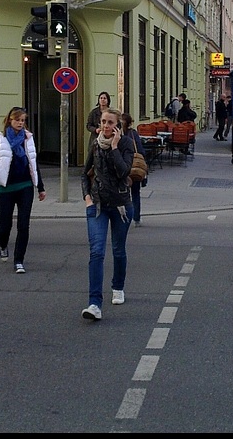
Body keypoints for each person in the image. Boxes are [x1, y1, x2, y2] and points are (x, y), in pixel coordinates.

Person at [80, 108, 134, 321]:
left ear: (118, 126)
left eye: (110, 122)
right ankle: (94, 304)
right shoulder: (95, 144)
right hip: (98, 205)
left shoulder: (126, 144)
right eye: (103, 121)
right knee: (97, 252)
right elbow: (85, 173)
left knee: (118, 250)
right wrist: (86, 198)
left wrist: (114, 148)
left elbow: (124, 172)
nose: (105, 126)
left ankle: (118, 286)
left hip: (121, 205)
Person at [0, 107, 46, 273]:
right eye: (17, 120)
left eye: (22, 120)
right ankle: (3, 244)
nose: (20, 123)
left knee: (23, 224)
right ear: (10, 120)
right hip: (6, 187)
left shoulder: (28, 138)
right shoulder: (0, 138)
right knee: (5, 226)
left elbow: (33, 163)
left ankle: (19, 260)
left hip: (25, 186)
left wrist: (40, 187)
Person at [122, 112, 146, 228]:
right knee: (135, 193)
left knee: (123, 194)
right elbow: (140, 150)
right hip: (134, 167)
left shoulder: (117, 135)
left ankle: (124, 217)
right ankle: (136, 218)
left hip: (122, 168)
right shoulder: (133, 134)